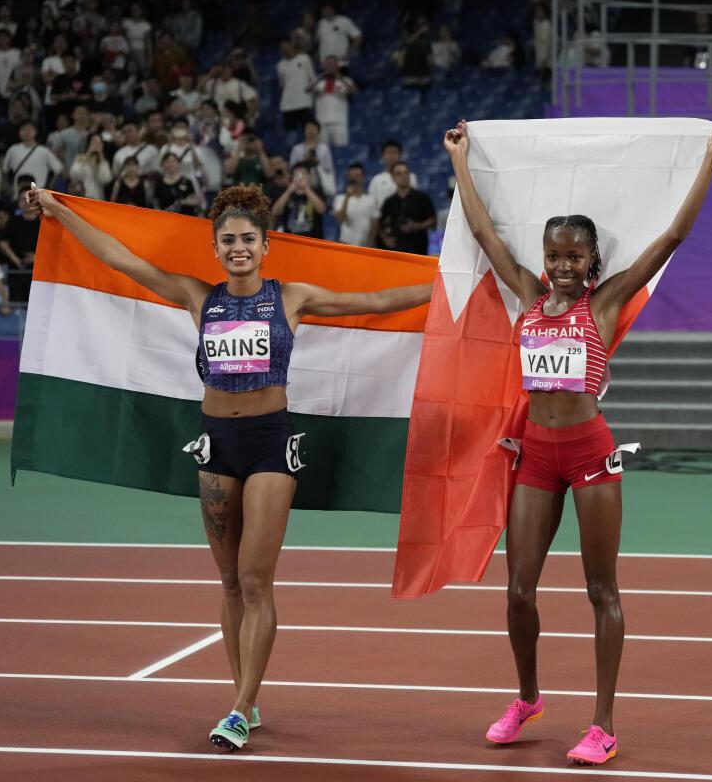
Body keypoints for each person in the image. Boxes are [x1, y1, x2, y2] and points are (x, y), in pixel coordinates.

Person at [24, 182, 432, 751]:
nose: (238, 248)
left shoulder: (292, 297)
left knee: (254, 579)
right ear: (214, 249)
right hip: (216, 444)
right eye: (228, 241)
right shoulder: (199, 297)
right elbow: (121, 258)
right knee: (227, 582)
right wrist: (61, 213)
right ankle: (247, 693)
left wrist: (454, 283)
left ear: (266, 246)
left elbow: (382, 301)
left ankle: (239, 709)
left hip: (270, 443)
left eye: (248, 239)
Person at [444, 118, 712, 765]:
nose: (562, 268)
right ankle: (527, 699)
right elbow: (484, 233)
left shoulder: (604, 304)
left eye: (575, 257)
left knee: (600, 590)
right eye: (555, 256)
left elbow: (672, 236)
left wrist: (710, 161)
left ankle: (603, 724)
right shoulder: (526, 293)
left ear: (592, 262)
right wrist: (461, 161)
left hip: (589, 452)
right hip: (536, 456)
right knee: (518, 591)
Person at [378, 162, 435, 255]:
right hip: (395, 251)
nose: (403, 176)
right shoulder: (389, 202)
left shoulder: (422, 198)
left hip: (418, 249)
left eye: (406, 173)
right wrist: (385, 239)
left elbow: (433, 220)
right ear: (393, 177)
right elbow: (380, 224)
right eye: (399, 174)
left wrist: (417, 226)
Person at [2, 120, 64, 197]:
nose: (26, 132)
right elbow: (5, 170)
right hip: (18, 194)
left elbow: (58, 170)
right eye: (23, 129)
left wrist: (49, 187)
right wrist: (8, 187)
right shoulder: (13, 150)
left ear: (35, 132)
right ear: (19, 132)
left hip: (39, 194)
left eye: (30, 129)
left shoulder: (44, 151)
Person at [308, 57, 356, 147]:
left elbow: (354, 90)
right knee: (322, 150)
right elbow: (308, 89)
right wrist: (321, 76)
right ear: (324, 66)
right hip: (322, 122)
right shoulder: (319, 82)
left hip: (339, 122)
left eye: (332, 64)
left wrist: (341, 78)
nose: (330, 67)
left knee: (341, 149)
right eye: (327, 64)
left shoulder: (345, 80)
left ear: (337, 66)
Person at [270, 164, 326, 238]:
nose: (300, 177)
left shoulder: (316, 192)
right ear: (292, 177)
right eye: (297, 174)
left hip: (313, 241)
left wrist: (306, 188)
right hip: (291, 242)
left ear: (309, 176)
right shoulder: (287, 195)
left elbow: (321, 209)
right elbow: (275, 212)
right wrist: (290, 189)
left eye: (303, 174)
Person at [276, 38, 316, 135]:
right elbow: (282, 85)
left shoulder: (304, 58)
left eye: (286, 45)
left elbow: (313, 79)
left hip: (304, 102)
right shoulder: (280, 65)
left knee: (308, 132)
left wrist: (313, 96)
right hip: (287, 105)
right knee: (290, 135)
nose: (284, 48)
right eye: (281, 46)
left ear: (291, 44)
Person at [332, 163, 378, 247]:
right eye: (351, 176)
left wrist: (370, 243)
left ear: (363, 178)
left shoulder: (371, 199)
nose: (354, 179)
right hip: (346, 244)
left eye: (357, 176)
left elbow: (374, 224)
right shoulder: (340, 198)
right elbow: (340, 219)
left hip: (366, 245)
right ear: (347, 178)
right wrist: (347, 197)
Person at [367, 139, 418, 204]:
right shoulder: (376, 180)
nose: (391, 156)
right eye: (388, 153)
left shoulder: (411, 177)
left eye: (394, 153)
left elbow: (415, 201)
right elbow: (372, 205)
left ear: (400, 155)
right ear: (383, 156)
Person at [69, 132, 113, 199]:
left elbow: (106, 180)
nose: (96, 145)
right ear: (89, 143)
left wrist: (100, 155)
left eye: (99, 143)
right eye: (94, 142)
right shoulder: (80, 158)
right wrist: (88, 153)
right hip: (80, 195)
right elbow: (74, 174)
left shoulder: (104, 161)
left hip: (98, 198)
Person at [155, 152, 201, 216]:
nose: (170, 164)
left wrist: (182, 202)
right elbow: (155, 203)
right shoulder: (158, 183)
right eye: (167, 161)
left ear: (178, 163)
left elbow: (196, 201)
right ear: (163, 164)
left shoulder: (186, 181)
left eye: (173, 161)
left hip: (185, 218)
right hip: (166, 219)